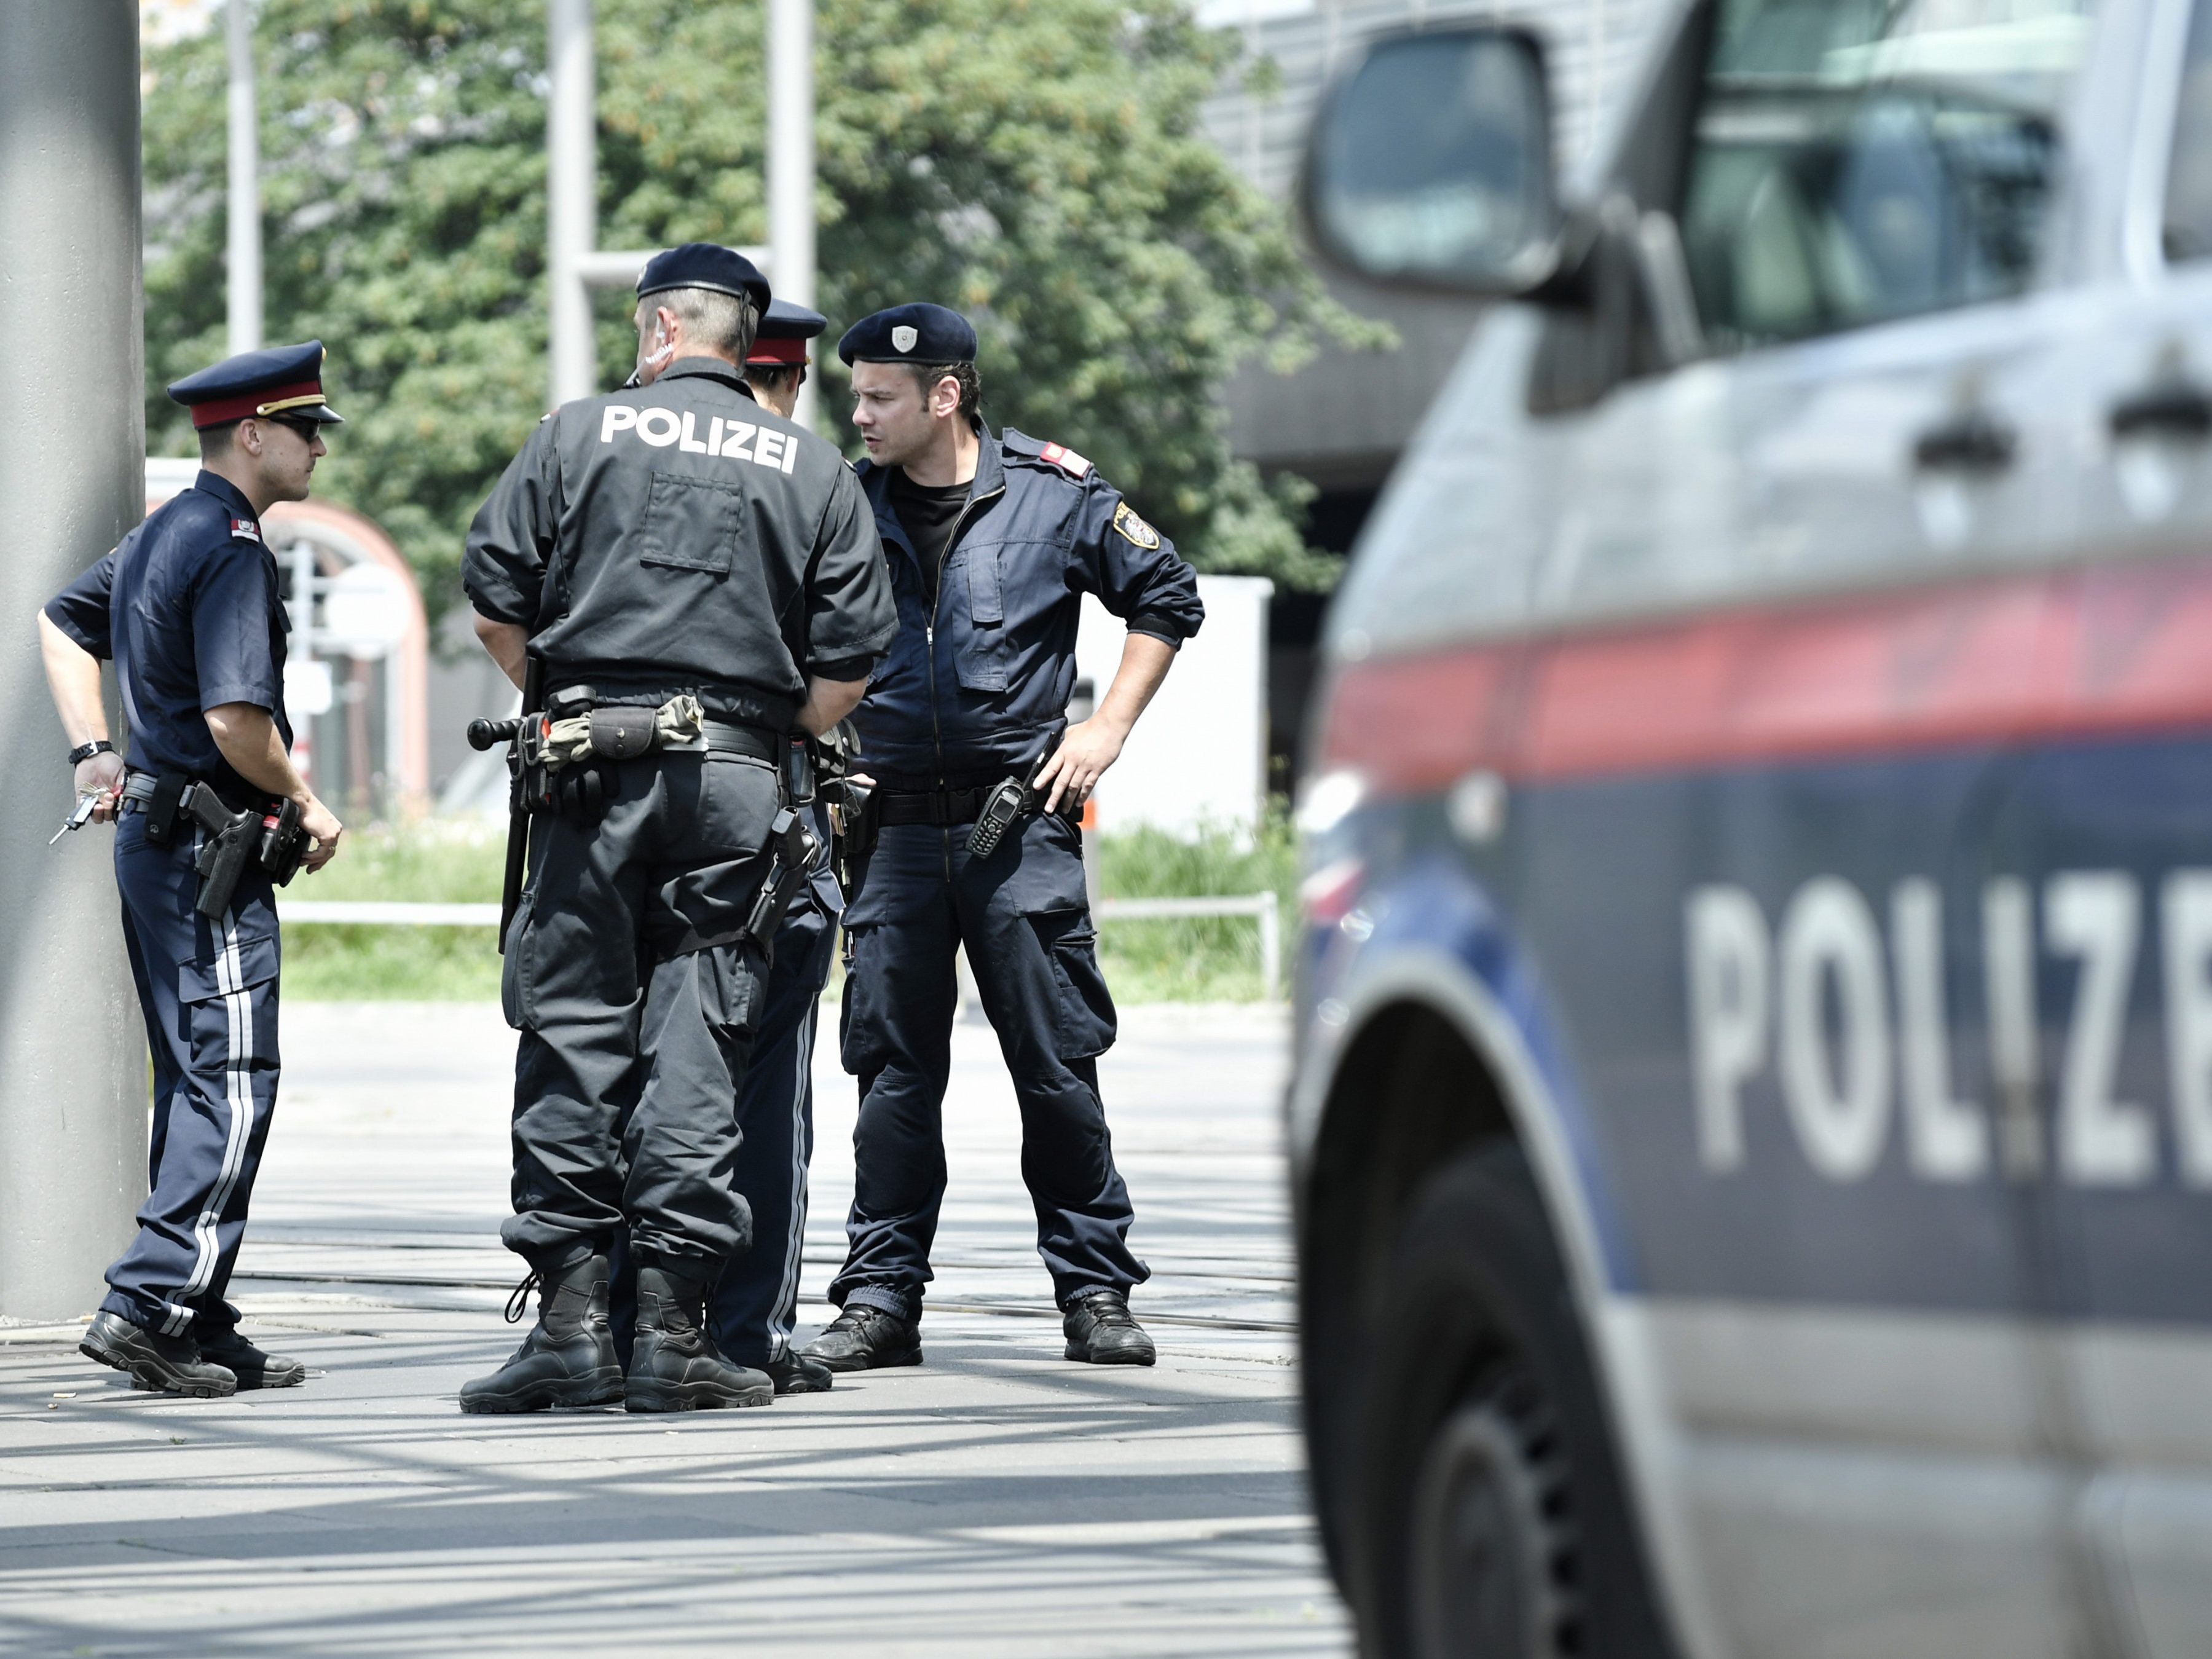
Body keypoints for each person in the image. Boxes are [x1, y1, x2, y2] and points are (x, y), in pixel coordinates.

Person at [458, 245, 896, 1415]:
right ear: (745, 341)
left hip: (585, 772)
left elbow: (497, 592)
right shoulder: (812, 467)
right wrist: (763, 731)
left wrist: (566, 695)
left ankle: (567, 1331)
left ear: (656, 331)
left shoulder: (573, 434)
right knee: (703, 1037)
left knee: (569, 1027)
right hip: (738, 784)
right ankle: (670, 1336)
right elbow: (852, 658)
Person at [800, 303, 1205, 1374]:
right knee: (891, 1074)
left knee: (1057, 1066)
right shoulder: (842, 501)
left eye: (881, 396)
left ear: (946, 394)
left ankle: (1096, 1292)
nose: (861, 412)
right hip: (887, 831)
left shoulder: (1054, 493)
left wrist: (1106, 726)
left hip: (1014, 826)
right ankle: (881, 1300)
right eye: (856, 395)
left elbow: (1166, 594)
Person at [39, 342, 348, 1398]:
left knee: (194, 1076)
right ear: (252, 433)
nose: (318, 445)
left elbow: (60, 622)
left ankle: (197, 1310)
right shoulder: (226, 543)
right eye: (306, 427)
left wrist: (95, 753)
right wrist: (305, 799)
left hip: (157, 841)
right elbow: (235, 717)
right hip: (209, 846)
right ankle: (150, 1304)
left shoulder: (164, 531)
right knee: (232, 1075)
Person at [604, 295, 843, 1397]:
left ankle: (621, 1321)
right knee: (757, 1089)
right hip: (764, 822)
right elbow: (850, 664)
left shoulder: (620, 466)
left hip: (618, 815)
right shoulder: (804, 487)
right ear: (780, 380)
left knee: (622, 1066)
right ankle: (739, 1330)